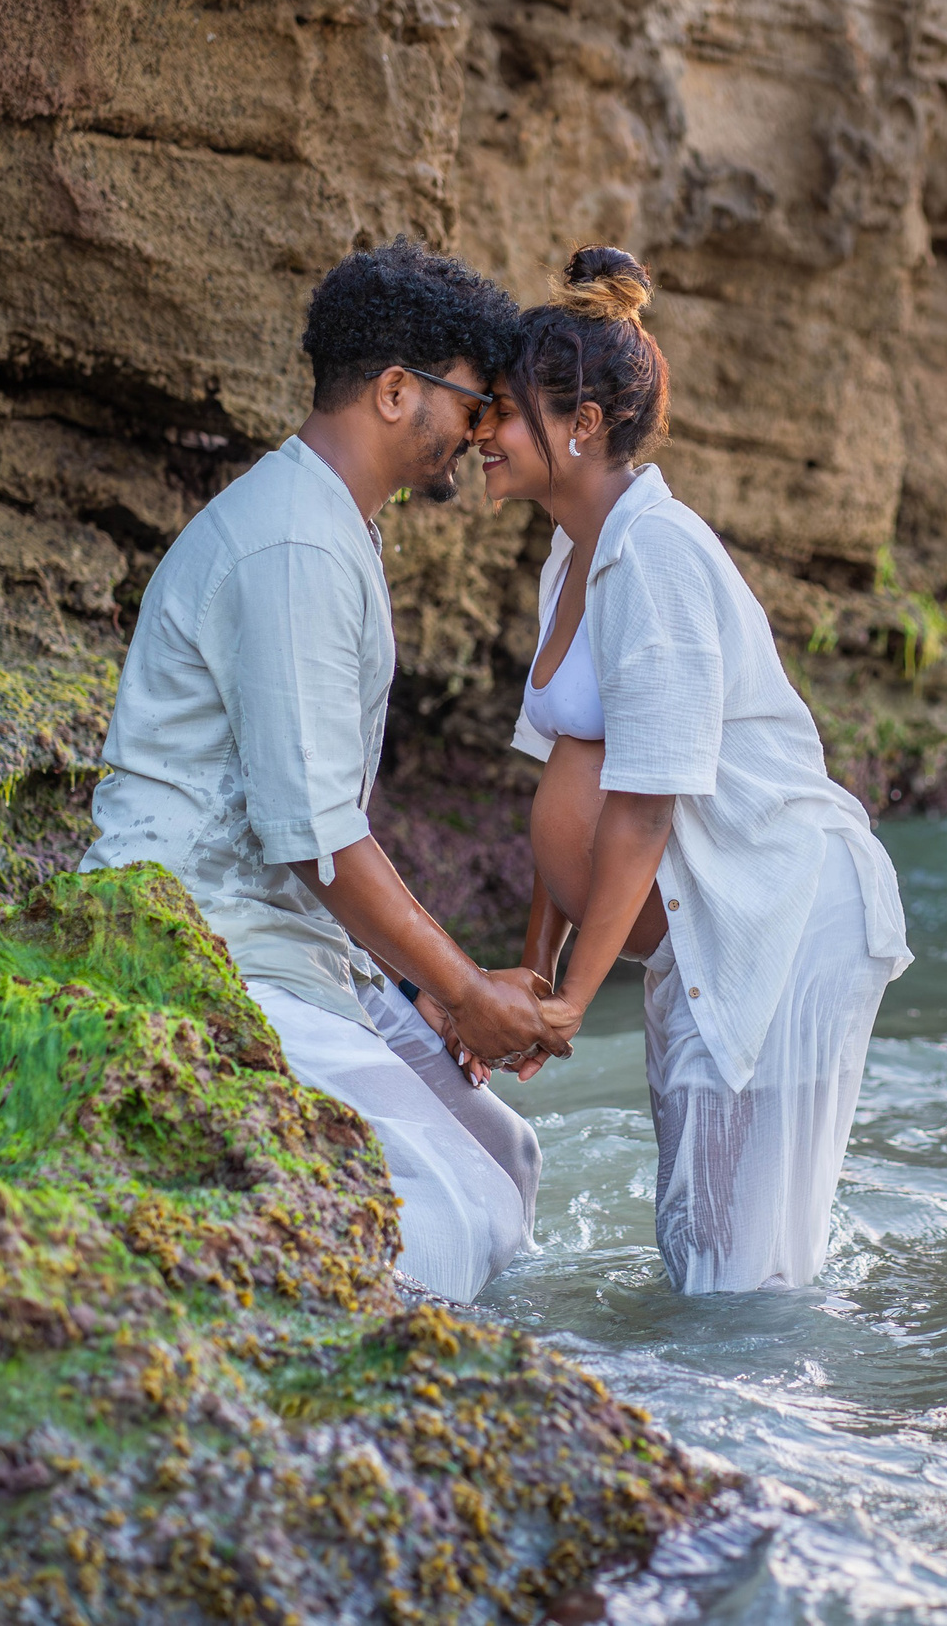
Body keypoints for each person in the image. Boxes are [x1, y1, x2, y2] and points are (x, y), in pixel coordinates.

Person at [79, 239, 577, 1303]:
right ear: (398, 393)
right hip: (209, 948)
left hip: (296, 951)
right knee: (445, 1218)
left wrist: (422, 989)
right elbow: (314, 834)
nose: (480, 433)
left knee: (506, 1162)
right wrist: (463, 989)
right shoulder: (296, 544)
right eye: (474, 403)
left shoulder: (327, 527)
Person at [469, 246, 913, 1293]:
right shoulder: (573, 554)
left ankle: (776, 1441)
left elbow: (643, 806)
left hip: (784, 909)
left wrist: (572, 1000)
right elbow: (564, 776)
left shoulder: (656, 551)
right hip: (707, 919)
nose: (479, 433)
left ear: (579, 424)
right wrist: (539, 964)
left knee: (737, 1268)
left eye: (500, 410)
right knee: (699, 1241)